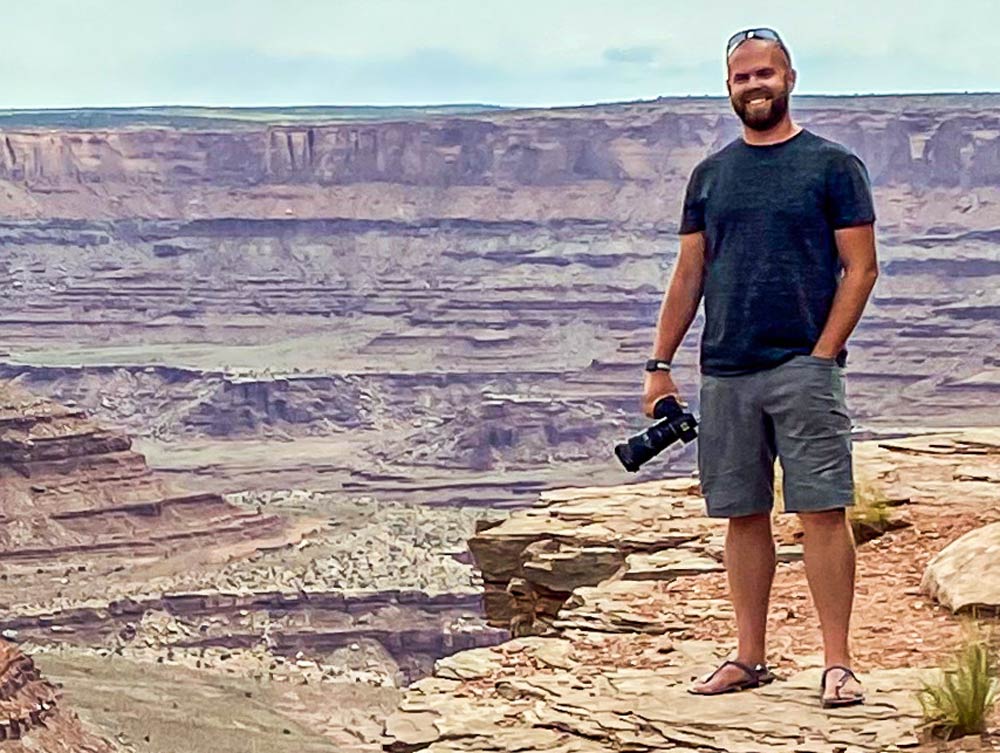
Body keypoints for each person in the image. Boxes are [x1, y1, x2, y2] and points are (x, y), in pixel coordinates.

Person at [641, 27, 878, 708]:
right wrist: (660, 363)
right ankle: (749, 655)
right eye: (743, 77)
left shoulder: (833, 166)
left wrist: (824, 353)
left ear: (790, 78)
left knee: (821, 510)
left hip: (802, 366)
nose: (755, 86)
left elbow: (860, 267)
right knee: (742, 515)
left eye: (765, 74)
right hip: (726, 371)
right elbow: (690, 273)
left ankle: (837, 662)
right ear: (728, 88)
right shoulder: (711, 175)